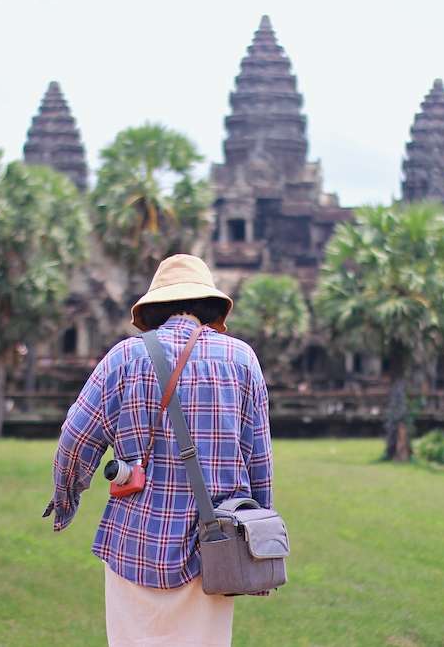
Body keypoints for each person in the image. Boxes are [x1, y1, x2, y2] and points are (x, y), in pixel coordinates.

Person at [43, 254, 273, 647]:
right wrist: (256, 540)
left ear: (154, 308)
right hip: (213, 549)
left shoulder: (125, 357)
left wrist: (66, 499)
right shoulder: (242, 360)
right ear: (211, 306)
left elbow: (75, 439)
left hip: (134, 544)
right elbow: (259, 461)